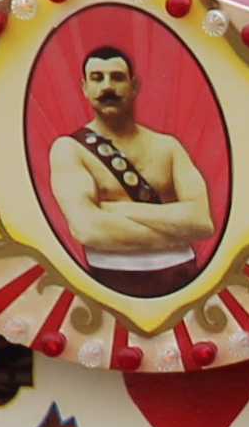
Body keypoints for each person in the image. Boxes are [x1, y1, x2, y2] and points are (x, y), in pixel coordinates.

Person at [50, 40, 215, 277]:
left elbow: (201, 222)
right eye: (97, 78)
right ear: (85, 88)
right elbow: (88, 230)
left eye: (117, 78)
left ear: (134, 86)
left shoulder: (167, 147)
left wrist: (118, 209)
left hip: (182, 276)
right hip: (110, 278)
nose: (107, 87)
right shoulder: (69, 149)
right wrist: (176, 231)